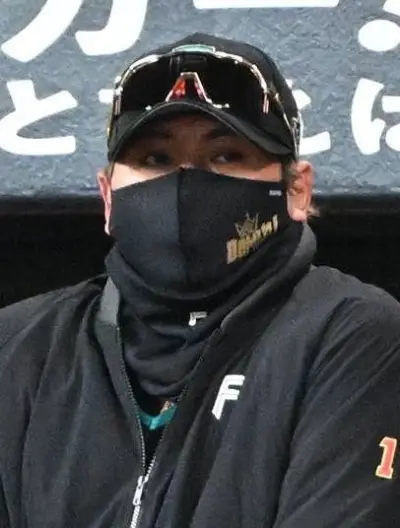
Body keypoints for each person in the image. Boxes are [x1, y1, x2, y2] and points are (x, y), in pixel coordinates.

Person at [1, 32, 400, 528]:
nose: (185, 184)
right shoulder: (19, 347)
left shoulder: (350, 336)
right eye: (155, 159)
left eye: (226, 156)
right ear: (108, 198)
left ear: (296, 190)